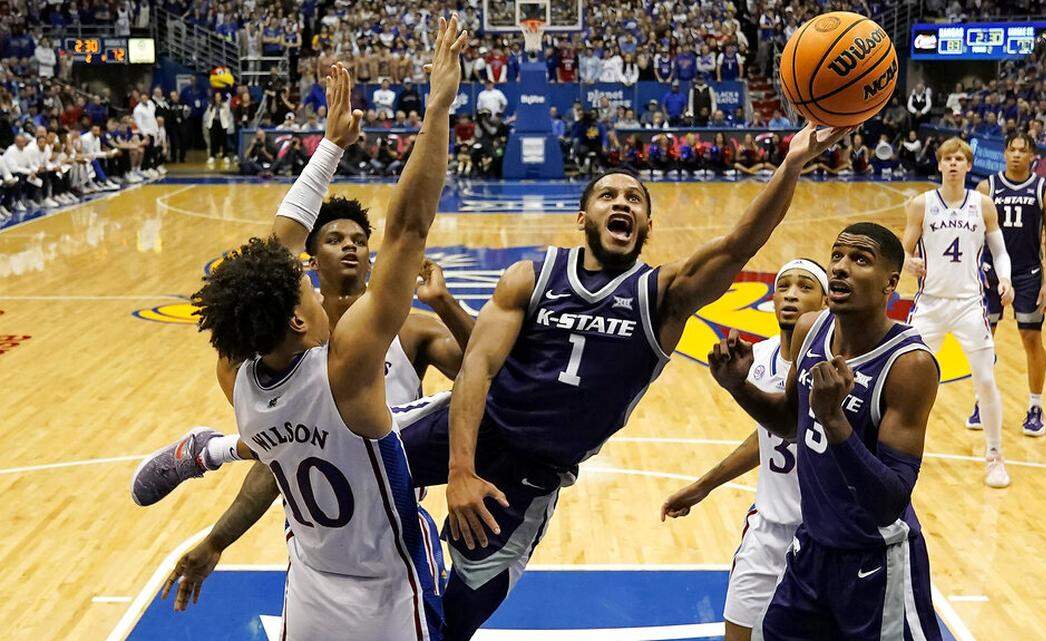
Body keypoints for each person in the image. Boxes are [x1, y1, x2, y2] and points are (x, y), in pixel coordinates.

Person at [135, 119, 849, 640]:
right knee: (315, 436)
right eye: (609, 195)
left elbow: (739, 243)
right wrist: (460, 465)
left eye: (635, 197)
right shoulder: (533, 276)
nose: (623, 203)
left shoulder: (661, 295)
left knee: (450, 626)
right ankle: (221, 453)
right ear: (583, 215)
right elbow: (476, 365)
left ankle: (221, 451)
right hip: (464, 426)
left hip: (531, 479)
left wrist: (789, 162)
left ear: (649, 225)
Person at [138, 18, 469, 640]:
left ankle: (213, 449)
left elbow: (274, 250)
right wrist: (438, 109)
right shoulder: (347, 364)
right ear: (297, 318)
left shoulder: (236, 375)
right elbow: (408, 229)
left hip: (311, 571)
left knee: (269, 448)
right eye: (303, 286)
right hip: (389, 579)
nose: (310, 281)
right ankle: (211, 450)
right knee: (473, 411)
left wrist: (329, 149)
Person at [702, 222, 943, 641]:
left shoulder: (910, 365)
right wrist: (739, 386)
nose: (841, 268)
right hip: (811, 547)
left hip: (875, 561)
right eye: (837, 256)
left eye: (860, 260)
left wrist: (835, 423)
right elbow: (787, 421)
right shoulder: (811, 328)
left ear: (890, 283)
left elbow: (889, 500)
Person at [660, 259, 829, 641]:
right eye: (783, 285)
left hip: (824, 535)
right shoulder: (758, 358)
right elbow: (769, 434)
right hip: (767, 528)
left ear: (825, 303)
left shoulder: (831, 364)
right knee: (737, 633)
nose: (790, 294)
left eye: (805, 287)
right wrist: (704, 486)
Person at [901, 137, 1013, 488]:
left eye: (959, 159)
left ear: (968, 165)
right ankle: (888, 451)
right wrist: (908, 263)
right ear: (939, 165)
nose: (952, 164)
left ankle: (994, 456)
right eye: (947, 158)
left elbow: (1000, 251)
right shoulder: (921, 205)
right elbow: (901, 250)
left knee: (985, 380)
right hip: (930, 304)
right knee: (903, 379)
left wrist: (1006, 279)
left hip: (969, 304)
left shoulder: (983, 205)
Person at [970, 132, 1046, 436]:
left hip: (1028, 275)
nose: (1017, 155)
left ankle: (1036, 405)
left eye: (1023, 150)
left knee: (1031, 339)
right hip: (990, 274)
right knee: (984, 341)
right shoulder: (986, 187)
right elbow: (972, 234)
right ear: (1004, 153)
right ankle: (981, 401)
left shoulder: (1044, 190)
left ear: (1032, 155)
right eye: (1012, 150)